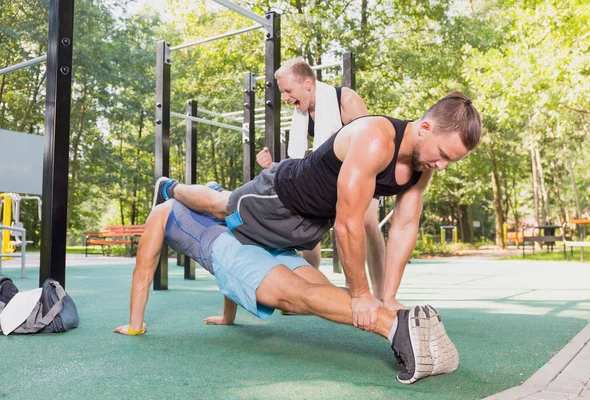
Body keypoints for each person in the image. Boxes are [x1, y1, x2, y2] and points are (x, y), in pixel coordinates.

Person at [153, 92, 482, 333]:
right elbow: (348, 224)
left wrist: (389, 297)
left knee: (305, 294)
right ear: (424, 127)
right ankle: (170, 188)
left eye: (449, 161)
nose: (441, 165)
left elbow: (403, 229)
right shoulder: (376, 140)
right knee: (219, 205)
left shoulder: (423, 168)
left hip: (309, 224)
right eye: (442, 155)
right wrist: (362, 296)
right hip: (277, 198)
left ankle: (180, 190)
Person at [113, 199, 459, 384]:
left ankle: (396, 326)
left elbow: (143, 272)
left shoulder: (162, 212)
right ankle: (412, 328)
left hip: (231, 251)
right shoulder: (209, 194)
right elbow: (227, 268)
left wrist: (135, 325)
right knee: (319, 293)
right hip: (264, 241)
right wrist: (226, 316)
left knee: (299, 298)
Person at [254, 59, 385, 299]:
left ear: (307, 83)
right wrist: (273, 165)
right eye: (283, 92)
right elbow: (301, 162)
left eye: (288, 91)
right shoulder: (303, 112)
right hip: (328, 175)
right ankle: (309, 292)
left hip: (363, 171)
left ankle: (382, 294)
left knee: (366, 222)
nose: (285, 98)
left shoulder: (345, 101)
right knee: (306, 224)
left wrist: (345, 141)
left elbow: (372, 143)